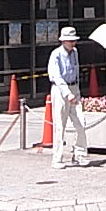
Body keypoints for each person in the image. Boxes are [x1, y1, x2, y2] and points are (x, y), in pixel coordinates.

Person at [47, 26, 89, 169]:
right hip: (60, 90)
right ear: (63, 41)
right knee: (60, 125)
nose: (73, 43)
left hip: (74, 87)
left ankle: (79, 154)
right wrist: (67, 93)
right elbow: (56, 76)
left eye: (74, 40)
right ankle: (57, 158)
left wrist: (75, 92)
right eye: (70, 41)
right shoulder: (56, 54)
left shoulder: (75, 53)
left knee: (81, 123)